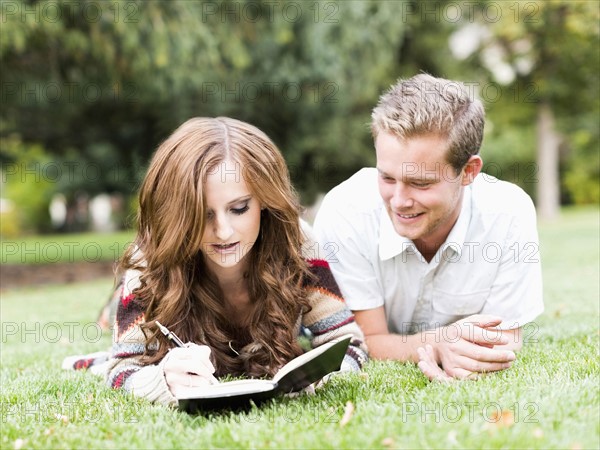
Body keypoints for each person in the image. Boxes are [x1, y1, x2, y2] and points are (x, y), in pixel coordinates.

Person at [64, 117, 367, 406]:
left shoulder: (298, 243)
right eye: (204, 214)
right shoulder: (150, 260)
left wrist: (325, 375)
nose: (223, 232)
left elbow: (348, 343)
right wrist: (162, 381)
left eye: (238, 208)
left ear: (264, 201)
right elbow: (121, 370)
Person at [313, 74, 543, 381]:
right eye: (387, 178)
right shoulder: (346, 211)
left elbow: (503, 340)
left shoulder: (509, 213)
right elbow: (364, 340)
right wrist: (437, 344)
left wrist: (459, 351)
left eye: (420, 183)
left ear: (468, 172)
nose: (398, 201)